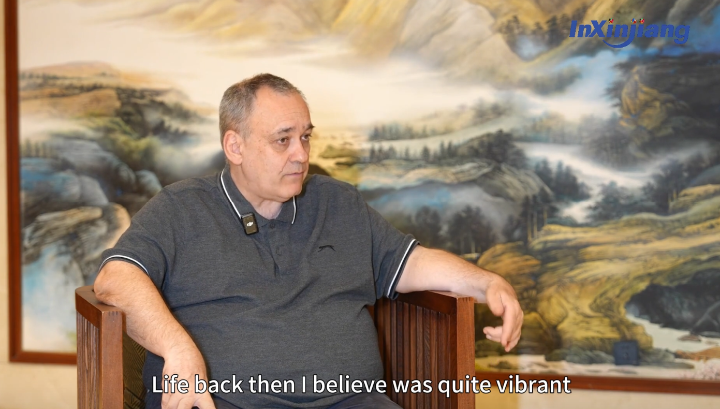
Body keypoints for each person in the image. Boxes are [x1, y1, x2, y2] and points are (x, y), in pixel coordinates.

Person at [94, 73, 523, 409]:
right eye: (283, 140)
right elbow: (115, 280)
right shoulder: (181, 208)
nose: (300, 154)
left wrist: (487, 283)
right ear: (235, 146)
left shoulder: (338, 203)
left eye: (305, 137)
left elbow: (410, 262)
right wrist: (177, 348)